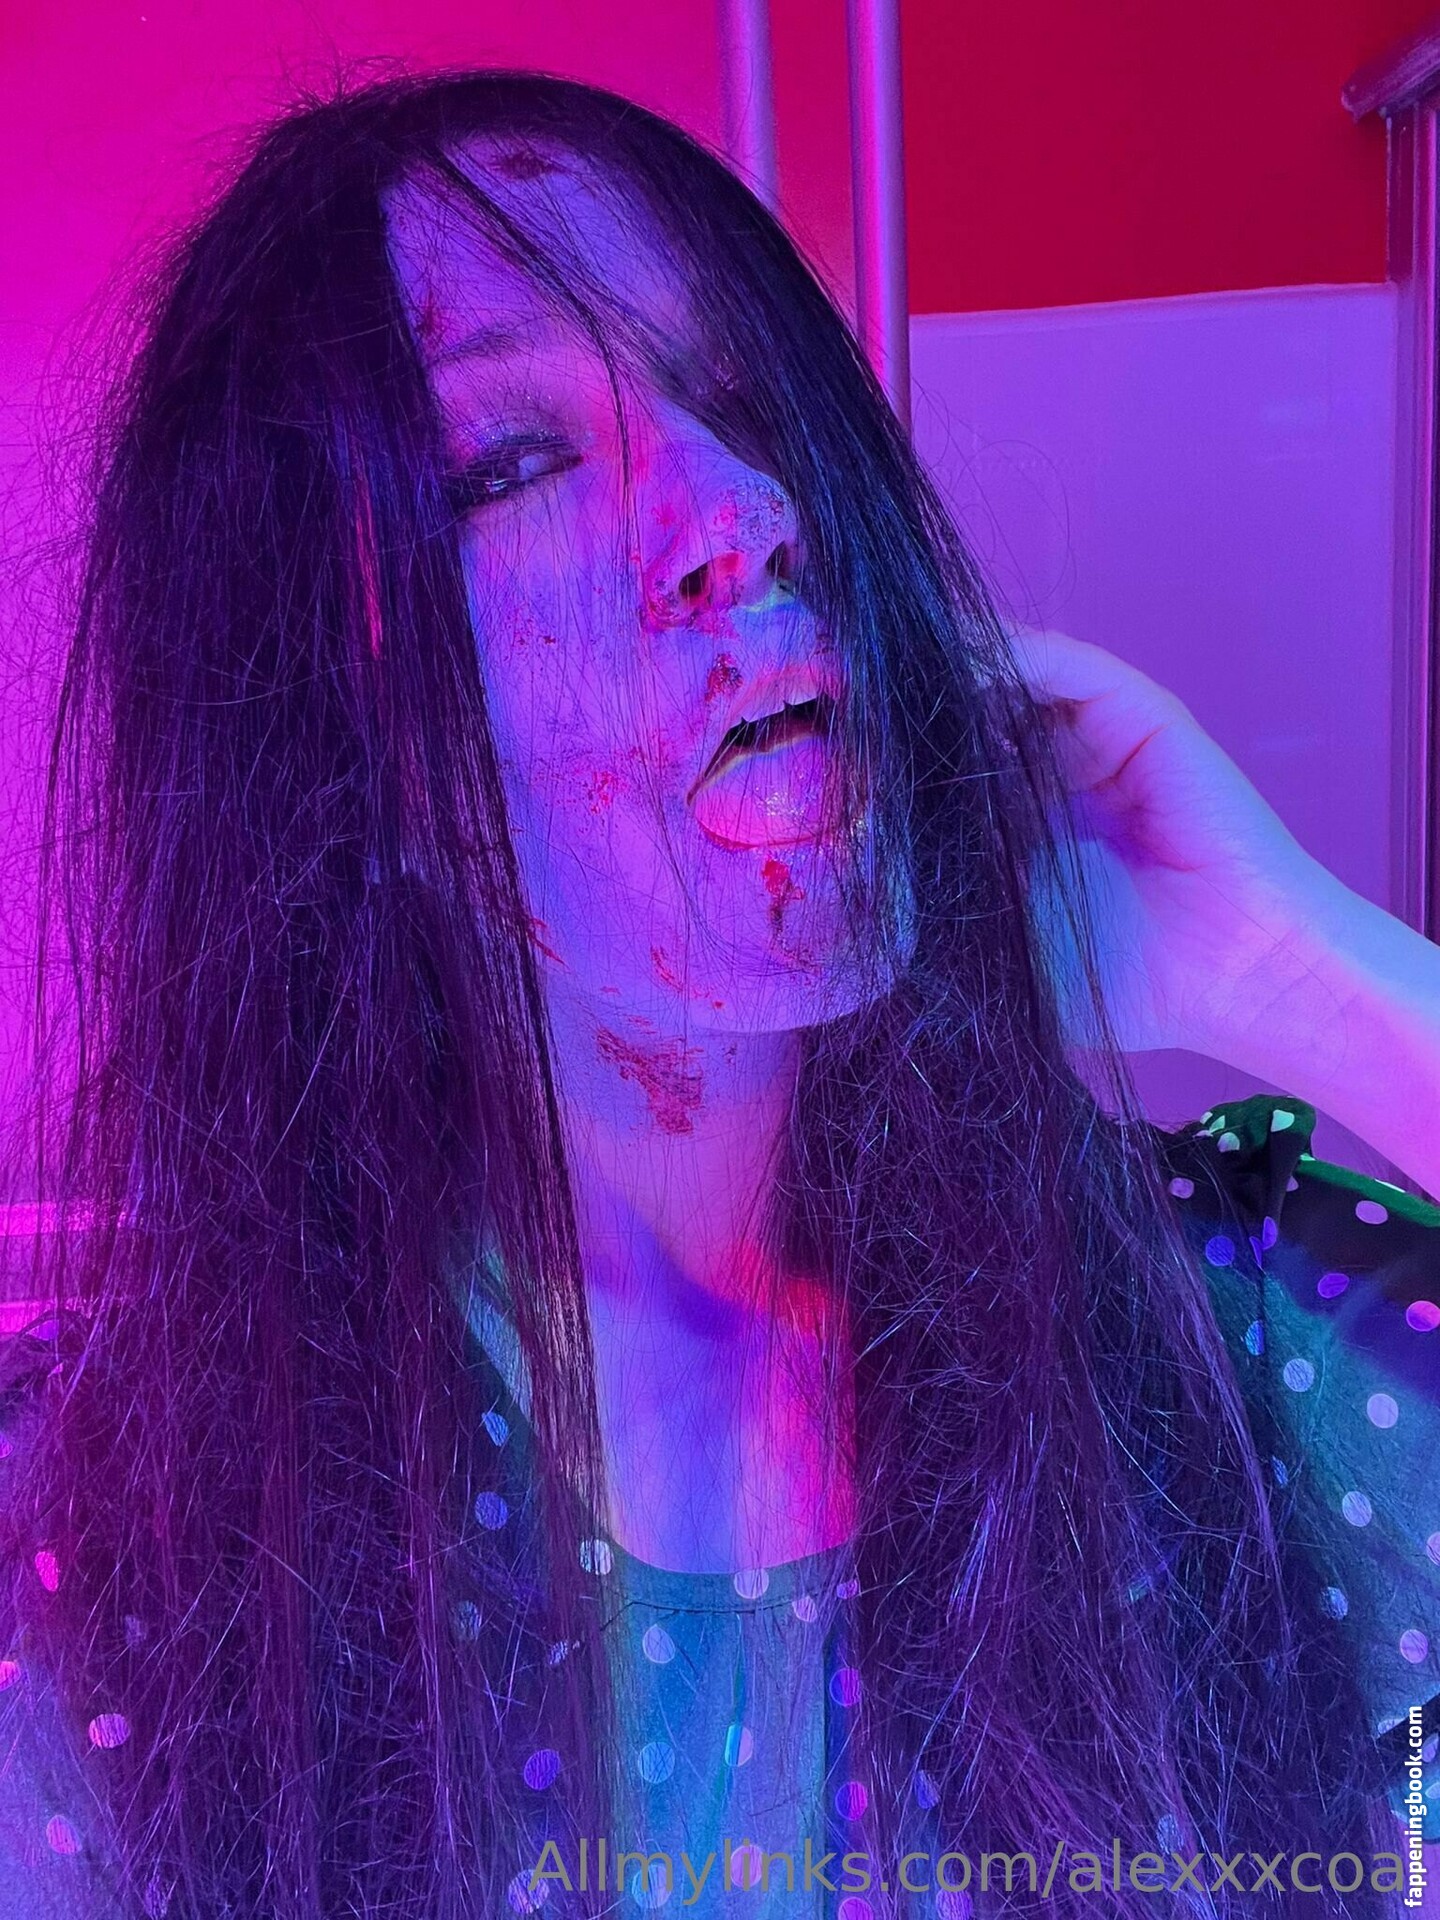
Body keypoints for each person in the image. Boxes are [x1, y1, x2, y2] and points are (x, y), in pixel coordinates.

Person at [0, 69, 1437, 1920]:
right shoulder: (113, 1557)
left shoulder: (1211, 1333)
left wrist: (1288, 966)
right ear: (332, 741)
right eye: (511, 463)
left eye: (752, 402)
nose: (746, 509)